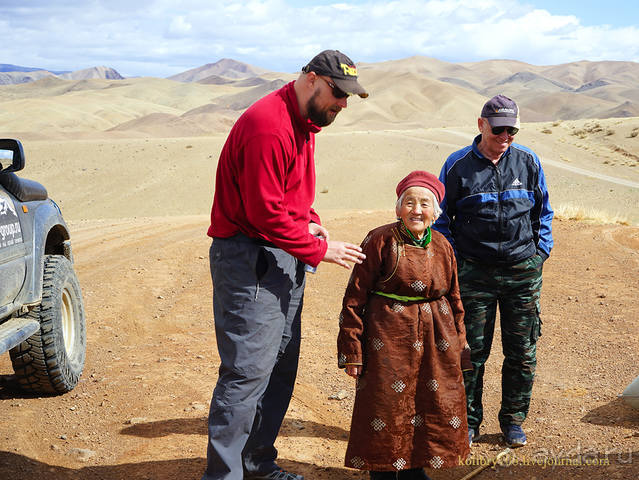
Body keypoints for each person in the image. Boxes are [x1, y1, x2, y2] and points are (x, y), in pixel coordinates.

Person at [201, 50, 368, 480]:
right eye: (338, 94)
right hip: (249, 258)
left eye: (348, 98)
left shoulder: (305, 123)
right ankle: (224, 476)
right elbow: (263, 213)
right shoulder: (268, 126)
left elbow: (289, 197)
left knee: (278, 368)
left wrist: (311, 222)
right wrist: (318, 251)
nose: (343, 105)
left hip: (280, 255)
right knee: (246, 374)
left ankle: (256, 463)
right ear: (311, 79)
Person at [433, 94, 554, 448]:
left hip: (522, 273)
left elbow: (543, 211)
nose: (505, 137)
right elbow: (441, 219)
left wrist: (540, 253)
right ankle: (468, 422)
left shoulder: (528, 161)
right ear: (481, 125)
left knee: (522, 351)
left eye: (512, 131)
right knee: (471, 352)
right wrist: (455, 260)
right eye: (499, 129)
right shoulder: (458, 166)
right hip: (474, 274)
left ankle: (513, 421)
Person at [337, 171, 471, 480]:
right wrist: (352, 351)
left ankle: (414, 471)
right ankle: (381, 471)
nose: (416, 210)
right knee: (385, 405)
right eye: (409, 202)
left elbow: (455, 299)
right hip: (387, 339)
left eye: (425, 203)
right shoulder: (379, 240)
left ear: (435, 211)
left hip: (436, 340)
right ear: (398, 208)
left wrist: (460, 346)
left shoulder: (442, 245)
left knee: (430, 403)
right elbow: (354, 298)